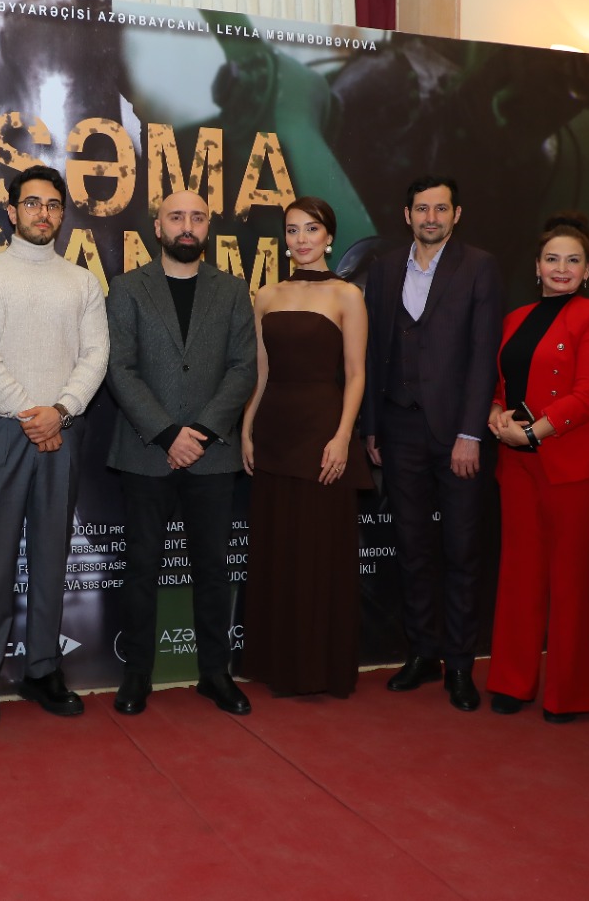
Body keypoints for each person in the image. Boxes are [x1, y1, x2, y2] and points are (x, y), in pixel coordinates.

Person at [0, 165, 109, 725]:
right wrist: (31, 412)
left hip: (62, 428)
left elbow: (96, 355)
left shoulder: (82, 283)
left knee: (51, 556)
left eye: (52, 205)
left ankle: (43, 669)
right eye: (32, 203)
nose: (43, 213)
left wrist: (59, 411)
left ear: (62, 214)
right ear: (12, 211)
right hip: (3, 430)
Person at [106, 190, 258, 715]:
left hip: (213, 456)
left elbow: (243, 368)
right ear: (158, 227)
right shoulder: (127, 288)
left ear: (208, 227)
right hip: (146, 451)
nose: (186, 226)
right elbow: (119, 368)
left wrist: (204, 432)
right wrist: (169, 434)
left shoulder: (232, 290)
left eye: (197, 217)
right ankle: (137, 675)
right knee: (142, 567)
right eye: (176, 217)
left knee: (213, 569)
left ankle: (215, 674)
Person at [361, 176, 502, 711]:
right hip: (398, 429)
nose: (431, 218)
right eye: (422, 209)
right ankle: (423, 652)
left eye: (441, 209)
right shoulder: (384, 268)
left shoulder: (479, 266)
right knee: (412, 546)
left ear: (456, 214)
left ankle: (460, 665)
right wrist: (373, 426)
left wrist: (470, 432)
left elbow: (484, 353)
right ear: (407, 215)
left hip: (457, 435)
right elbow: (373, 351)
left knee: (461, 549)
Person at [483, 212, 589, 723]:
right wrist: (495, 414)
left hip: (574, 463)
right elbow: (501, 384)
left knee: (568, 578)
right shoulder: (515, 318)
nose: (561, 268)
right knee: (518, 572)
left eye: (573, 260)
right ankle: (511, 680)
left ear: (587, 270)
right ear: (537, 266)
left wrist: (534, 432)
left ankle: (569, 694)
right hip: (516, 462)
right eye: (552, 259)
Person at [239, 197, 371, 697]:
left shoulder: (347, 295)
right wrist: (247, 428)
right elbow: (261, 371)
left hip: (321, 433)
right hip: (274, 431)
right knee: (278, 551)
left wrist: (342, 436)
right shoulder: (267, 295)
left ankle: (319, 668)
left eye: (311, 229)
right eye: (293, 230)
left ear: (328, 237)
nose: (301, 239)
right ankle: (278, 665)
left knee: (318, 553)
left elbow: (356, 375)